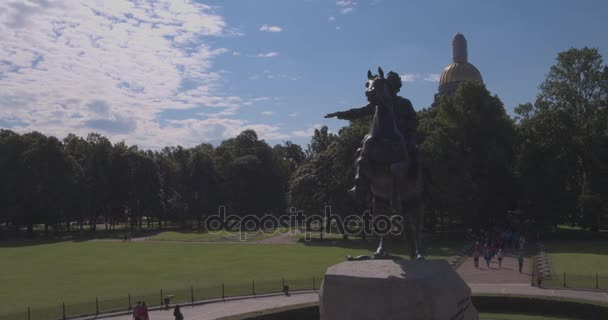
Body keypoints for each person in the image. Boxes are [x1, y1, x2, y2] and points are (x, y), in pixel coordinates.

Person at [325, 70, 419, 197]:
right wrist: (340, 114)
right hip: (380, 134)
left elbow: (413, 120)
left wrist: (405, 128)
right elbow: (360, 112)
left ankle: (421, 182)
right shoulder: (377, 105)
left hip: (402, 134)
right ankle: (359, 184)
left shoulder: (404, 103)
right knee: (361, 149)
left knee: (415, 152)